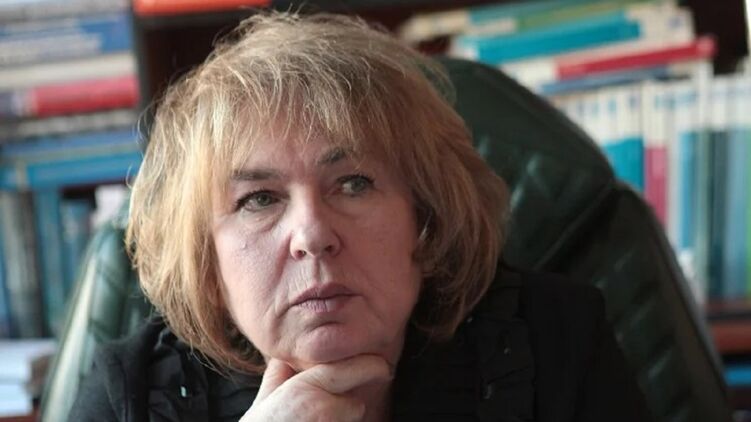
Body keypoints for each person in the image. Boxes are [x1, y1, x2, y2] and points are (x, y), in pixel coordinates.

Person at [69, 11, 652, 422]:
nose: (312, 234)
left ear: (425, 218)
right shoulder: (130, 394)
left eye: (353, 184)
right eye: (259, 199)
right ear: (208, 261)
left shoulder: (555, 343)